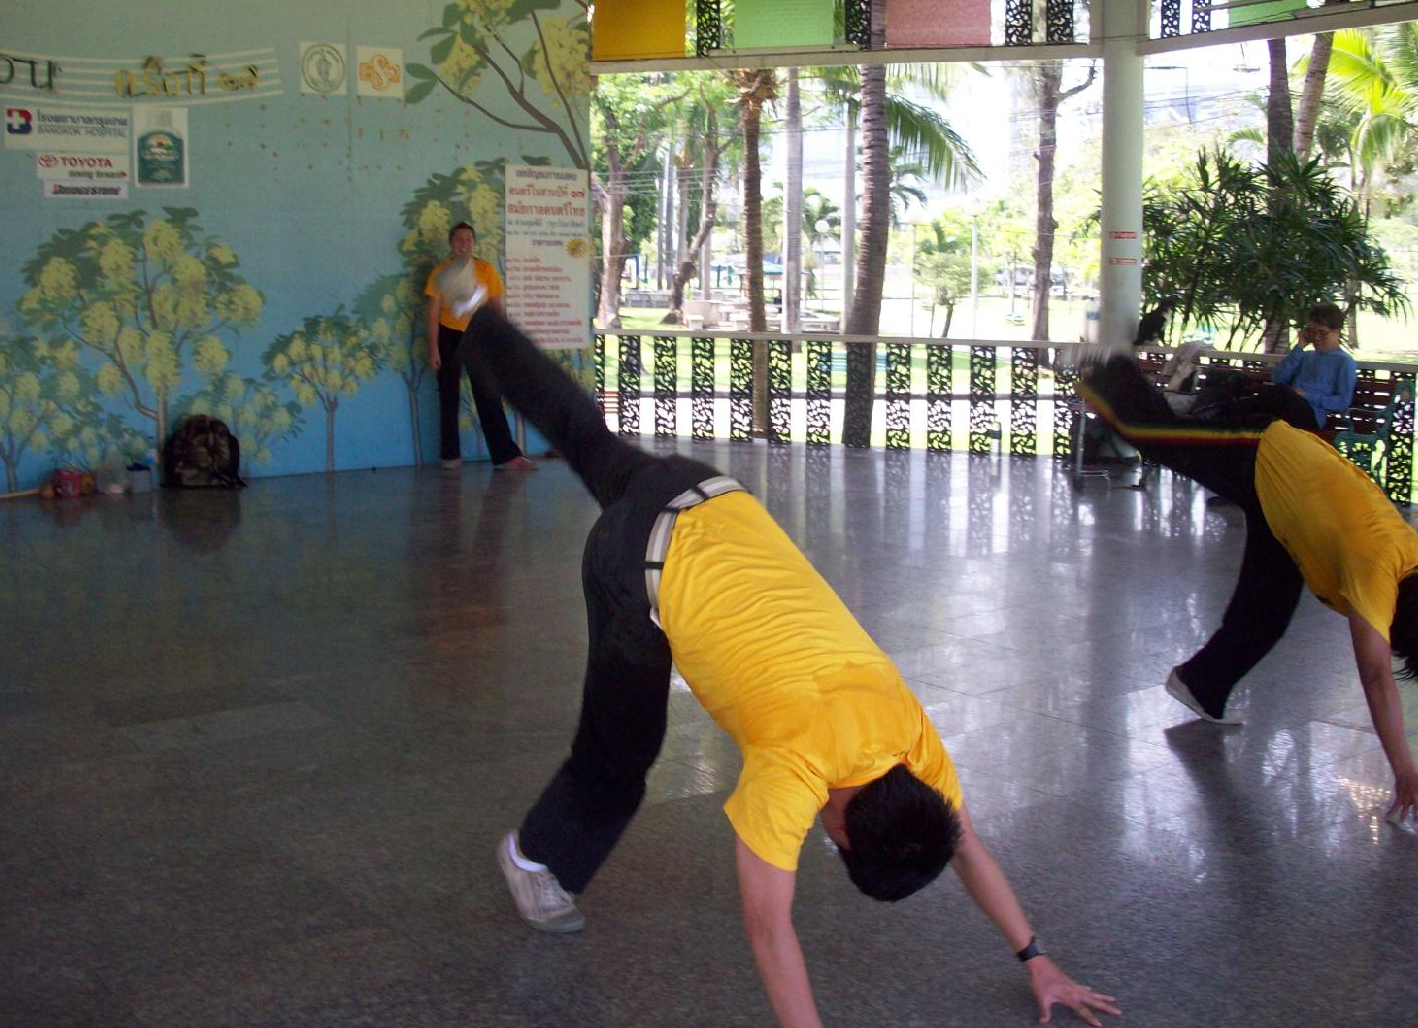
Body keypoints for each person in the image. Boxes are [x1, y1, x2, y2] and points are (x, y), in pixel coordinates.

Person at [446, 287, 1118, 1028]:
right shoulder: (791, 772)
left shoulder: (907, 734)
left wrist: (1037, 959)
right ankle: (534, 858)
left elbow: (965, 848)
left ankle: (479, 320)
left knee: (583, 433)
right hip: (636, 560)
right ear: (841, 834)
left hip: (702, 492)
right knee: (622, 750)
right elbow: (771, 933)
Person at [1076, 353, 1418, 822]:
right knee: (1163, 438)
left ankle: (1201, 684)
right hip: (1261, 451)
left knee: (1268, 612)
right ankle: (1101, 368)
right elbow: (1377, 677)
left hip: (1291, 509)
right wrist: (1404, 772)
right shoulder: (1377, 575)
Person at [423, 222, 536, 471]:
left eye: (469, 239)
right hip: (448, 336)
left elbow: (496, 307)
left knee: (488, 395)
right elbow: (432, 312)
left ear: (474, 243)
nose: (464, 244)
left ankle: (506, 455)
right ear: (451, 244)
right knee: (449, 396)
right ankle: (450, 455)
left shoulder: (485, 269)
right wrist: (434, 349)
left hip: (479, 336)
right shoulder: (441, 272)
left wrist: (502, 341)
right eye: (459, 239)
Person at [1269, 301, 1357, 429]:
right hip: (1287, 408)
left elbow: (1343, 402)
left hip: (1311, 415)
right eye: (1311, 331)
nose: (1316, 337)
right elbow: (1278, 378)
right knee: (1274, 396)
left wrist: (1306, 396)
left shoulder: (1344, 362)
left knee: (1282, 393)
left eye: (1322, 333)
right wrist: (1299, 347)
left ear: (1337, 331)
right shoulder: (1306, 356)